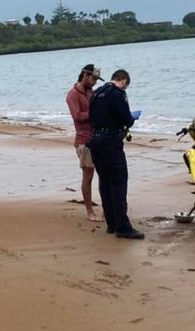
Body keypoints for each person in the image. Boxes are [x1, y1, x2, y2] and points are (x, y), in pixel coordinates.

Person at [88, 69, 144, 240]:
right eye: (125, 85)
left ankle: (111, 223)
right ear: (123, 81)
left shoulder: (96, 94)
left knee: (104, 182)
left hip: (95, 140)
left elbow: (93, 118)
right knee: (119, 182)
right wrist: (132, 118)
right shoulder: (118, 94)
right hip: (110, 141)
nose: (125, 88)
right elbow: (126, 119)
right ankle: (123, 227)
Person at [66, 64, 104, 222]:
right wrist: (95, 113)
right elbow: (77, 116)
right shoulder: (72, 94)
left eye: (97, 79)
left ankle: (106, 208)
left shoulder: (91, 92)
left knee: (104, 174)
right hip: (83, 140)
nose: (95, 82)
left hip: (97, 137)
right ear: (85, 75)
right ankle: (89, 211)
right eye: (93, 78)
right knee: (88, 175)